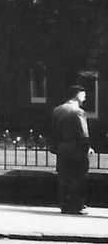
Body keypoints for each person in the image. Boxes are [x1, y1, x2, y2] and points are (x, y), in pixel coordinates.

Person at [50, 85, 94, 215]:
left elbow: (54, 131)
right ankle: (76, 205)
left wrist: (56, 147)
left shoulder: (57, 110)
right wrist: (88, 148)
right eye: (83, 95)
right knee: (78, 178)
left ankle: (64, 205)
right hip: (77, 150)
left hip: (63, 149)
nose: (85, 98)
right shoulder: (79, 112)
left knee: (64, 177)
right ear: (77, 95)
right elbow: (83, 133)